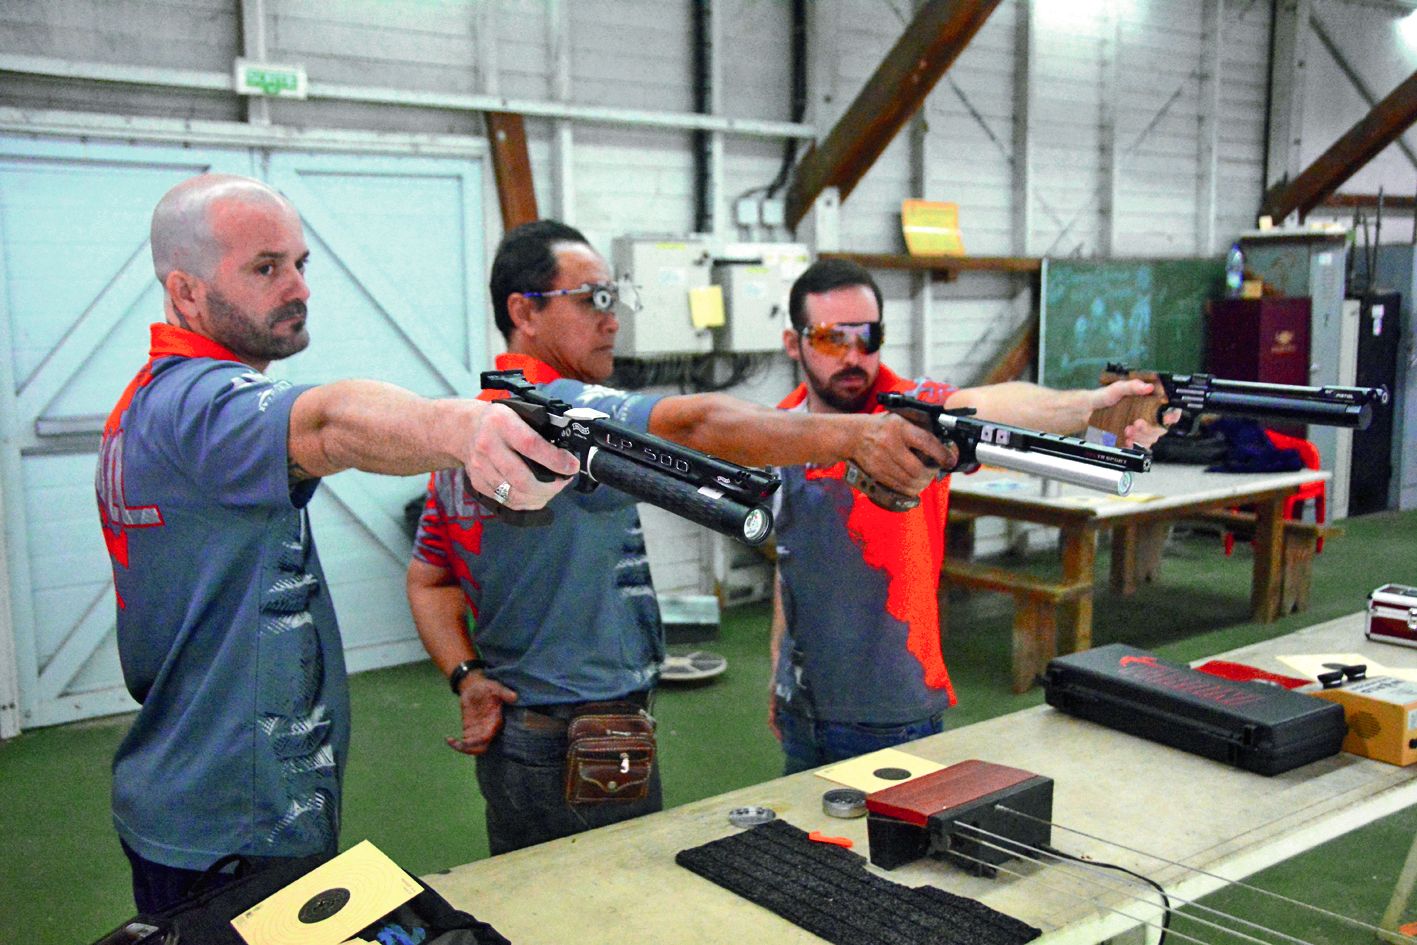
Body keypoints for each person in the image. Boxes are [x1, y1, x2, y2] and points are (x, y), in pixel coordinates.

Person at [96, 174, 578, 913]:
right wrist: (468, 428)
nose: (299, 287)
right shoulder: (199, 402)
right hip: (233, 824)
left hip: (199, 796)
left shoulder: (152, 403)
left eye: (299, 263)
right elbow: (329, 423)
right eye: (265, 268)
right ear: (186, 293)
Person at [405, 220, 953, 855]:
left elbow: (429, 579)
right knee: (620, 895)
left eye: (615, 298)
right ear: (523, 312)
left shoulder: (472, 431)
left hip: (517, 739)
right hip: (588, 740)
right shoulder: (565, 414)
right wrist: (859, 435)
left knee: (532, 891)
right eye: (592, 300)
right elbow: (694, 423)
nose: (612, 320)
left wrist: (467, 675)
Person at [769, 258, 1171, 774]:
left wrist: (1093, 407)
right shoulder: (781, 430)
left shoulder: (914, 415)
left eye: (868, 337)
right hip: (801, 705)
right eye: (831, 338)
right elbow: (791, 561)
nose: (852, 356)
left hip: (892, 711)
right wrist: (778, 675)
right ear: (793, 342)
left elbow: (988, 405)